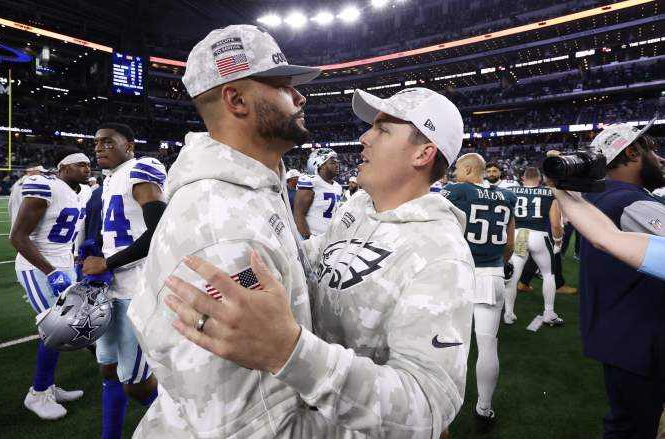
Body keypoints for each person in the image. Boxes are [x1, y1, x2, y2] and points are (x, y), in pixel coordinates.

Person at [160, 86, 476, 438]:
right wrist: (243, 275)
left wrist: (290, 351)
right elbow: (308, 262)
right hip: (292, 412)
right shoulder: (358, 208)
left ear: (423, 153)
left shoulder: (440, 253)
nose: (364, 137)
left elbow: (428, 406)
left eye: (383, 129)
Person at [126, 24, 336, 438]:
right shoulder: (224, 228)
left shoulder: (254, 188)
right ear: (236, 99)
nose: (299, 96)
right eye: (282, 85)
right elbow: (248, 427)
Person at [574, 122, 665, 438]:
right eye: (652, 149)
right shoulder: (632, 201)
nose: (659, 157)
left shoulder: (597, 198)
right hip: (643, 340)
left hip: (620, 333)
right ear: (633, 151)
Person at [82, 122, 164, 439]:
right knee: (108, 370)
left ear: (128, 144)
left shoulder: (141, 169)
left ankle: (190, 428)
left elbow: (158, 230)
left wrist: (108, 261)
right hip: (112, 288)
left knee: (139, 385)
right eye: (96, 143)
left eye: (107, 142)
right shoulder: (110, 180)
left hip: (139, 288)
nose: (99, 147)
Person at [8, 148, 90, 420]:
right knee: (55, 330)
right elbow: (18, 237)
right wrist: (51, 272)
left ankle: (49, 387)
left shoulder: (75, 192)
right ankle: (38, 394)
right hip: (37, 267)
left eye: (88, 164)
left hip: (64, 265)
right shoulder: (43, 185)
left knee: (63, 330)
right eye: (80, 164)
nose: (87, 167)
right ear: (63, 167)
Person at [442, 153, 516, 433]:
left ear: (468, 168)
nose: (455, 174)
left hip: (459, 273)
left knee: (446, 341)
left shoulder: (458, 191)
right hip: (492, 273)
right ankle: (484, 408)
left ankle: (443, 403)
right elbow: (510, 243)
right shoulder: (506, 196)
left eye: (458, 168)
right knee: (487, 345)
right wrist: (502, 263)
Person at [503, 167, 564, 326]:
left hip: (520, 234)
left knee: (513, 276)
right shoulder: (548, 192)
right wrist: (558, 241)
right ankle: (549, 313)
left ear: (523, 178)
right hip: (538, 235)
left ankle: (508, 313)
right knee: (549, 274)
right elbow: (556, 224)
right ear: (539, 179)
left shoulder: (511, 190)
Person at [293, 148, 343, 238]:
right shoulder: (311, 182)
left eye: (337, 162)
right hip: (313, 238)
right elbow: (298, 214)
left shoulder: (338, 187)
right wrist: (308, 238)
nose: (337, 165)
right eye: (332, 162)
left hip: (329, 239)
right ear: (321, 165)